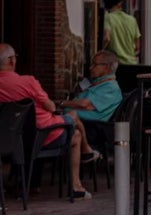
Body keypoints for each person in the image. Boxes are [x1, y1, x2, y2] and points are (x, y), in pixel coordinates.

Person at [0, 43, 92, 200]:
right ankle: (77, 185)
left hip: (9, 139)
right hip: (42, 135)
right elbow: (50, 106)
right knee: (75, 132)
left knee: (70, 120)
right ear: (11, 60)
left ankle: (31, 185)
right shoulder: (27, 82)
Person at [61, 50, 123, 156]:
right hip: (80, 123)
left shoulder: (110, 87)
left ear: (106, 67)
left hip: (92, 128)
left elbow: (86, 105)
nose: (91, 68)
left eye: (95, 64)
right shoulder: (98, 83)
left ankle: (86, 149)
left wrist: (63, 103)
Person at [102, 0, 141, 65]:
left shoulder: (108, 17)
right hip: (132, 63)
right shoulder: (132, 19)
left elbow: (107, 39)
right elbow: (137, 46)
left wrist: (101, 52)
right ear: (119, 3)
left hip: (116, 64)